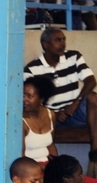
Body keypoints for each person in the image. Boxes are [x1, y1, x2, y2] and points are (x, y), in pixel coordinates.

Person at [23, 27, 97, 157]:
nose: (62, 44)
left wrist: (76, 102)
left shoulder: (74, 57)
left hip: (75, 112)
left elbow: (91, 81)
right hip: (52, 117)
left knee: (93, 97)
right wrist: (55, 114)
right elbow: (32, 100)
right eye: (57, 40)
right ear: (45, 45)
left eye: (63, 39)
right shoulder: (32, 69)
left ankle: (95, 150)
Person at [22, 75, 58, 165]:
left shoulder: (51, 115)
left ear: (42, 99)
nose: (24, 99)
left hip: (46, 166)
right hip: (29, 168)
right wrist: (41, 168)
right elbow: (21, 157)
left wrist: (57, 166)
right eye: (23, 95)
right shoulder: (21, 121)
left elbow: (50, 145)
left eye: (30, 96)